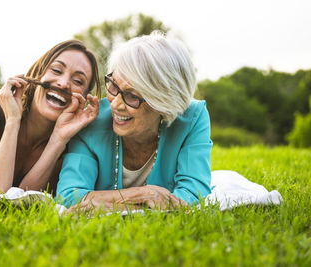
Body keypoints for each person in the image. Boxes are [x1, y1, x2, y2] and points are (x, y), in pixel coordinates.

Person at [56, 32, 213, 211]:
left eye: (131, 96)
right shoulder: (92, 122)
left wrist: (105, 202)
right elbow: (69, 196)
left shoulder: (193, 118)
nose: (115, 104)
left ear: (163, 102)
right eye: (113, 86)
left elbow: (194, 195)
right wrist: (141, 195)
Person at [0, 40, 100, 194]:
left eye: (78, 81)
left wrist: (58, 139)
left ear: (84, 98)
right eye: (57, 71)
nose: (63, 83)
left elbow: (25, 199)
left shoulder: (72, 145)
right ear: (38, 74)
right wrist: (12, 121)